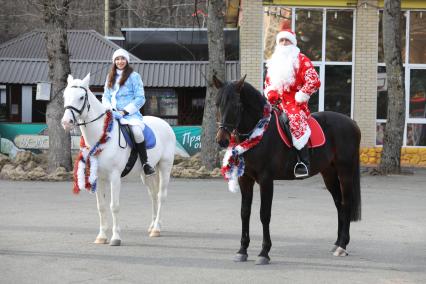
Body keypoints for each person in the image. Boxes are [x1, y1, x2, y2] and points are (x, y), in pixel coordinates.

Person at [264, 29, 321, 178]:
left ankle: (303, 162)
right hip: (276, 102)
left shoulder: (301, 60)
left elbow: (314, 80)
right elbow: (268, 83)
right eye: (281, 40)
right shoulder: (274, 61)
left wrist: (301, 95)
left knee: (294, 120)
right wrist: (270, 93)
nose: (284, 43)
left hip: (295, 103)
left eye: (287, 40)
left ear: (293, 43)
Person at [102, 48, 155, 176]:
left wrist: (124, 112)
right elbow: (105, 96)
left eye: (123, 58)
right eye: (117, 59)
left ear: (127, 60)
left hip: (130, 114)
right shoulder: (110, 76)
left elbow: (140, 98)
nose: (120, 61)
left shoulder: (134, 76)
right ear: (114, 61)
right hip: (112, 113)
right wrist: (109, 110)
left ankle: (145, 163)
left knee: (137, 132)